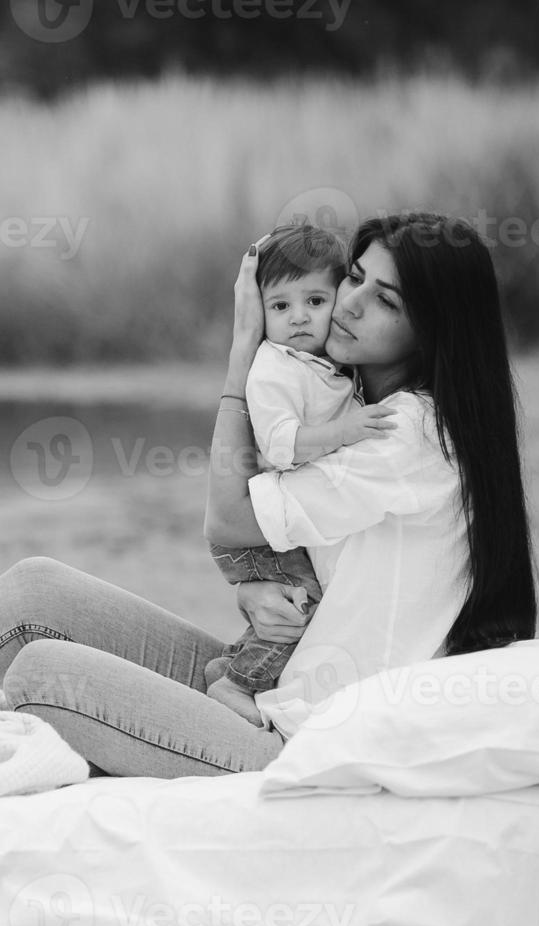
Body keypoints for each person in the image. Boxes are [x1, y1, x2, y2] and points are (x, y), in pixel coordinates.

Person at [0, 213, 537, 777]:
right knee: (38, 589)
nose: (350, 303)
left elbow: (230, 518)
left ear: (435, 331)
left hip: (300, 742)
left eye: (386, 300)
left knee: (44, 673)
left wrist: (246, 343)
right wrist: (255, 587)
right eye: (355, 277)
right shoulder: (347, 398)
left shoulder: (409, 432)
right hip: (267, 687)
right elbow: (263, 537)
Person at [204, 224, 398, 724]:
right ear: (259, 311)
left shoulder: (322, 364)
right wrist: (347, 429)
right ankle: (236, 686)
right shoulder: (275, 370)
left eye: (315, 300)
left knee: (286, 607)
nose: (299, 319)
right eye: (280, 307)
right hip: (259, 531)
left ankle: (231, 663)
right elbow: (283, 447)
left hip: (274, 523)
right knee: (304, 606)